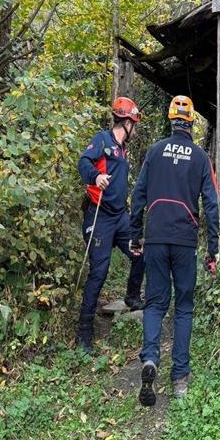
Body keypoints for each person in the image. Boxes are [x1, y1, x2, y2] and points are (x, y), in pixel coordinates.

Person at [129, 95, 219, 406]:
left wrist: (135, 234)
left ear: (170, 119)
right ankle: (180, 378)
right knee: (183, 307)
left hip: (154, 237)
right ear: (192, 122)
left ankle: (150, 359)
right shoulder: (200, 157)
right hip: (184, 239)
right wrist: (213, 248)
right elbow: (211, 203)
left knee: (154, 303)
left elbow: (139, 193)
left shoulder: (154, 151)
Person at [75, 96, 147, 353]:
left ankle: (131, 296)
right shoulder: (102, 140)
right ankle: (84, 332)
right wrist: (96, 177)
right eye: (134, 124)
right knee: (99, 271)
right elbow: (83, 162)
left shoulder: (123, 148)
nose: (135, 130)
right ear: (126, 122)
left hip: (120, 218)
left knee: (140, 253)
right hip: (100, 216)